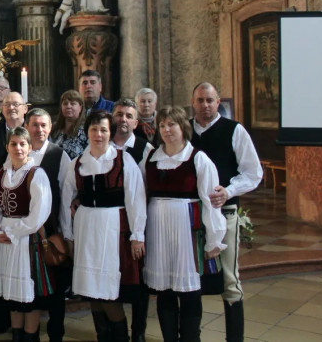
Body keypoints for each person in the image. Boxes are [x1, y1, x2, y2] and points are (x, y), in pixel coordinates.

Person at [61, 111, 146, 342]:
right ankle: (103, 336)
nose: (98, 134)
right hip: (86, 229)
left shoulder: (123, 161)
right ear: (87, 132)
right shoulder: (77, 164)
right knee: (91, 289)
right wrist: (68, 235)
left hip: (113, 230)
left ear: (111, 133)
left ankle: (120, 338)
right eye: (94, 129)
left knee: (109, 291)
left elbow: (136, 199)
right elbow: (66, 200)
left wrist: (137, 235)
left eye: (103, 130)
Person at [143, 107, 226, 342]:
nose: (167, 130)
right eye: (162, 125)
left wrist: (214, 239)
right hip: (158, 232)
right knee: (164, 292)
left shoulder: (197, 158)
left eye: (172, 124)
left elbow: (211, 201)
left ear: (183, 127)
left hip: (187, 231)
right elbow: (141, 195)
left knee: (189, 292)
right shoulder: (150, 158)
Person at [189, 83, 262, 342]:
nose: (205, 105)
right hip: (190, 215)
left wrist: (228, 191)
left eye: (210, 100)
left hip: (225, 212)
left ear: (218, 102)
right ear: (193, 102)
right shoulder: (184, 130)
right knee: (190, 280)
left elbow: (253, 173)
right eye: (200, 100)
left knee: (230, 281)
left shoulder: (234, 130)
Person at [0, 127, 53, 342]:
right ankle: (16, 336)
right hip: (5, 240)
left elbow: (39, 214)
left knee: (29, 296)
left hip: (26, 239)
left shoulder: (36, 174)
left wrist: (12, 232)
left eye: (22, 144)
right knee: (12, 294)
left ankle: (30, 337)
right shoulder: (3, 173)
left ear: (30, 147)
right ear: (7, 147)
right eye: (13, 144)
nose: (18, 148)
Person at [23, 109, 72, 342]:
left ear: (50, 128)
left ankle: (56, 334)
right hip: (24, 231)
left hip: (51, 230)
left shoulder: (59, 155)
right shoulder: (19, 152)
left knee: (55, 286)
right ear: (26, 126)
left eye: (44, 125)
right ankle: (29, 334)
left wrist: (65, 232)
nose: (39, 130)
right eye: (35, 125)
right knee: (29, 284)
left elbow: (66, 196)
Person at [109, 99, 154, 342]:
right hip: (109, 222)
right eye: (119, 114)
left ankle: (138, 332)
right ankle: (108, 331)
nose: (123, 119)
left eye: (128, 116)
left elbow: (148, 188)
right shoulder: (102, 144)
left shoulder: (145, 150)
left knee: (138, 279)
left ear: (136, 123)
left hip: (136, 221)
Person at [51, 90, 88, 159]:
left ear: (80, 107)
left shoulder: (86, 130)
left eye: (73, 104)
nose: (68, 106)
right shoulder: (54, 128)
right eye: (65, 104)